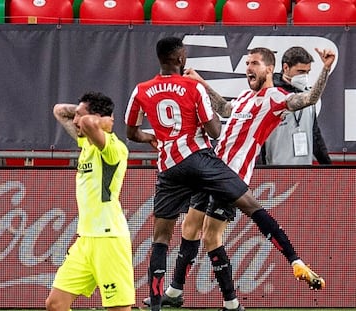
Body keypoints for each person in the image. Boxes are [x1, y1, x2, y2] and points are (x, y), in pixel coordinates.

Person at [125, 37, 334, 311]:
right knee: (189, 228)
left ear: (269, 69)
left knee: (211, 237)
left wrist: (325, 70)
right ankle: (175, 291)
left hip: (232, 174)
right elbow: (224, 109)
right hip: (209, 168)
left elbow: (309, 98)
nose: (249, 67)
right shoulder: (246, 97)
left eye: (255, 63)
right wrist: (201, 82)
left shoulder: (276, 98)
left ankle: (233, 301)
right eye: (247, 63)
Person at [46, 92, 135, 311]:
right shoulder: (86, 143)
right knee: (55, 304)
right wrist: (92, 114)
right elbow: (59, 110)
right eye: (75, 115)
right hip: (85, 240)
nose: (75, 120)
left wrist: (104, 119)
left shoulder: (114, 149)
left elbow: (86, 122)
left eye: (80, 115)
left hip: (109, 240)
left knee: (118, 309)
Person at [261, 46, 332, 165]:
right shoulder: (269, 94)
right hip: (274, 171)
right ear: (285, 67)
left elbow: (315, 136)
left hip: (303, 171)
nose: (304, 76)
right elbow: (259, 139)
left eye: (307, 72)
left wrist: (329, 168)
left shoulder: (307, 95)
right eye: (300, 71)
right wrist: (261, 172)